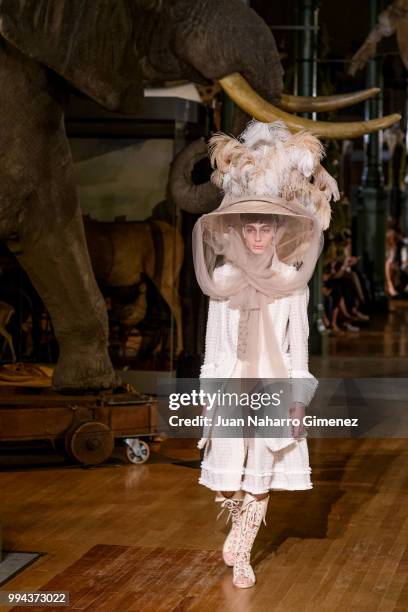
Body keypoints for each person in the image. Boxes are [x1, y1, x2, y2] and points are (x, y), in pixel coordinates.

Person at [192, 120, 339, 588]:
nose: (257, 236)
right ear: (239, 230)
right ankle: (237, 517)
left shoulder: (292, 284)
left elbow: (300, 351)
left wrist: (298, 400)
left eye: (265, 228)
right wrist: (208, 398)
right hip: (232, 381)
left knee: (263, 466)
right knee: (226, 476)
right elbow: (213, 345)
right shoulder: (223, 280)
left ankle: (245, 549)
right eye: (250, 227)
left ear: (277, 231)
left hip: (275, 384)